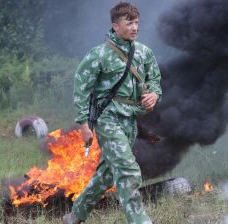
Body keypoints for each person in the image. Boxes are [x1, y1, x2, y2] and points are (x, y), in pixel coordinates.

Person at [63, 2, 162, 224]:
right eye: (129, 23)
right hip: (108, 119)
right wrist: (83, 124)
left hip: (131, 121)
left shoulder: (144, 52)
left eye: (137, 22)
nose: (135, 27)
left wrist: (154, 95)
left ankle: (76, 215)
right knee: (128, 169)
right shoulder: (99, 55)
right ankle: (140, 221)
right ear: (115, 26)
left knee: (107, 174)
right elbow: (81, 88)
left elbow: (155, 80)